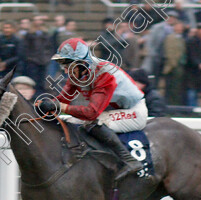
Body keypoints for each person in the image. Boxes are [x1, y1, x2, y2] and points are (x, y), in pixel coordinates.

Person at [44, 38, 145, 181]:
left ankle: (130, 161)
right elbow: (62, 100)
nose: (65, 71)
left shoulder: (104, 74)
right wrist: (47, 106)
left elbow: (91, 113)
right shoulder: (79, 72)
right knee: (68, 121)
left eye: (67, 65)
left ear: (81, 63)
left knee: (92, 123)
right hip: (112, 110)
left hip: (134, 112)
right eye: (63, 66)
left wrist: (60, 106)